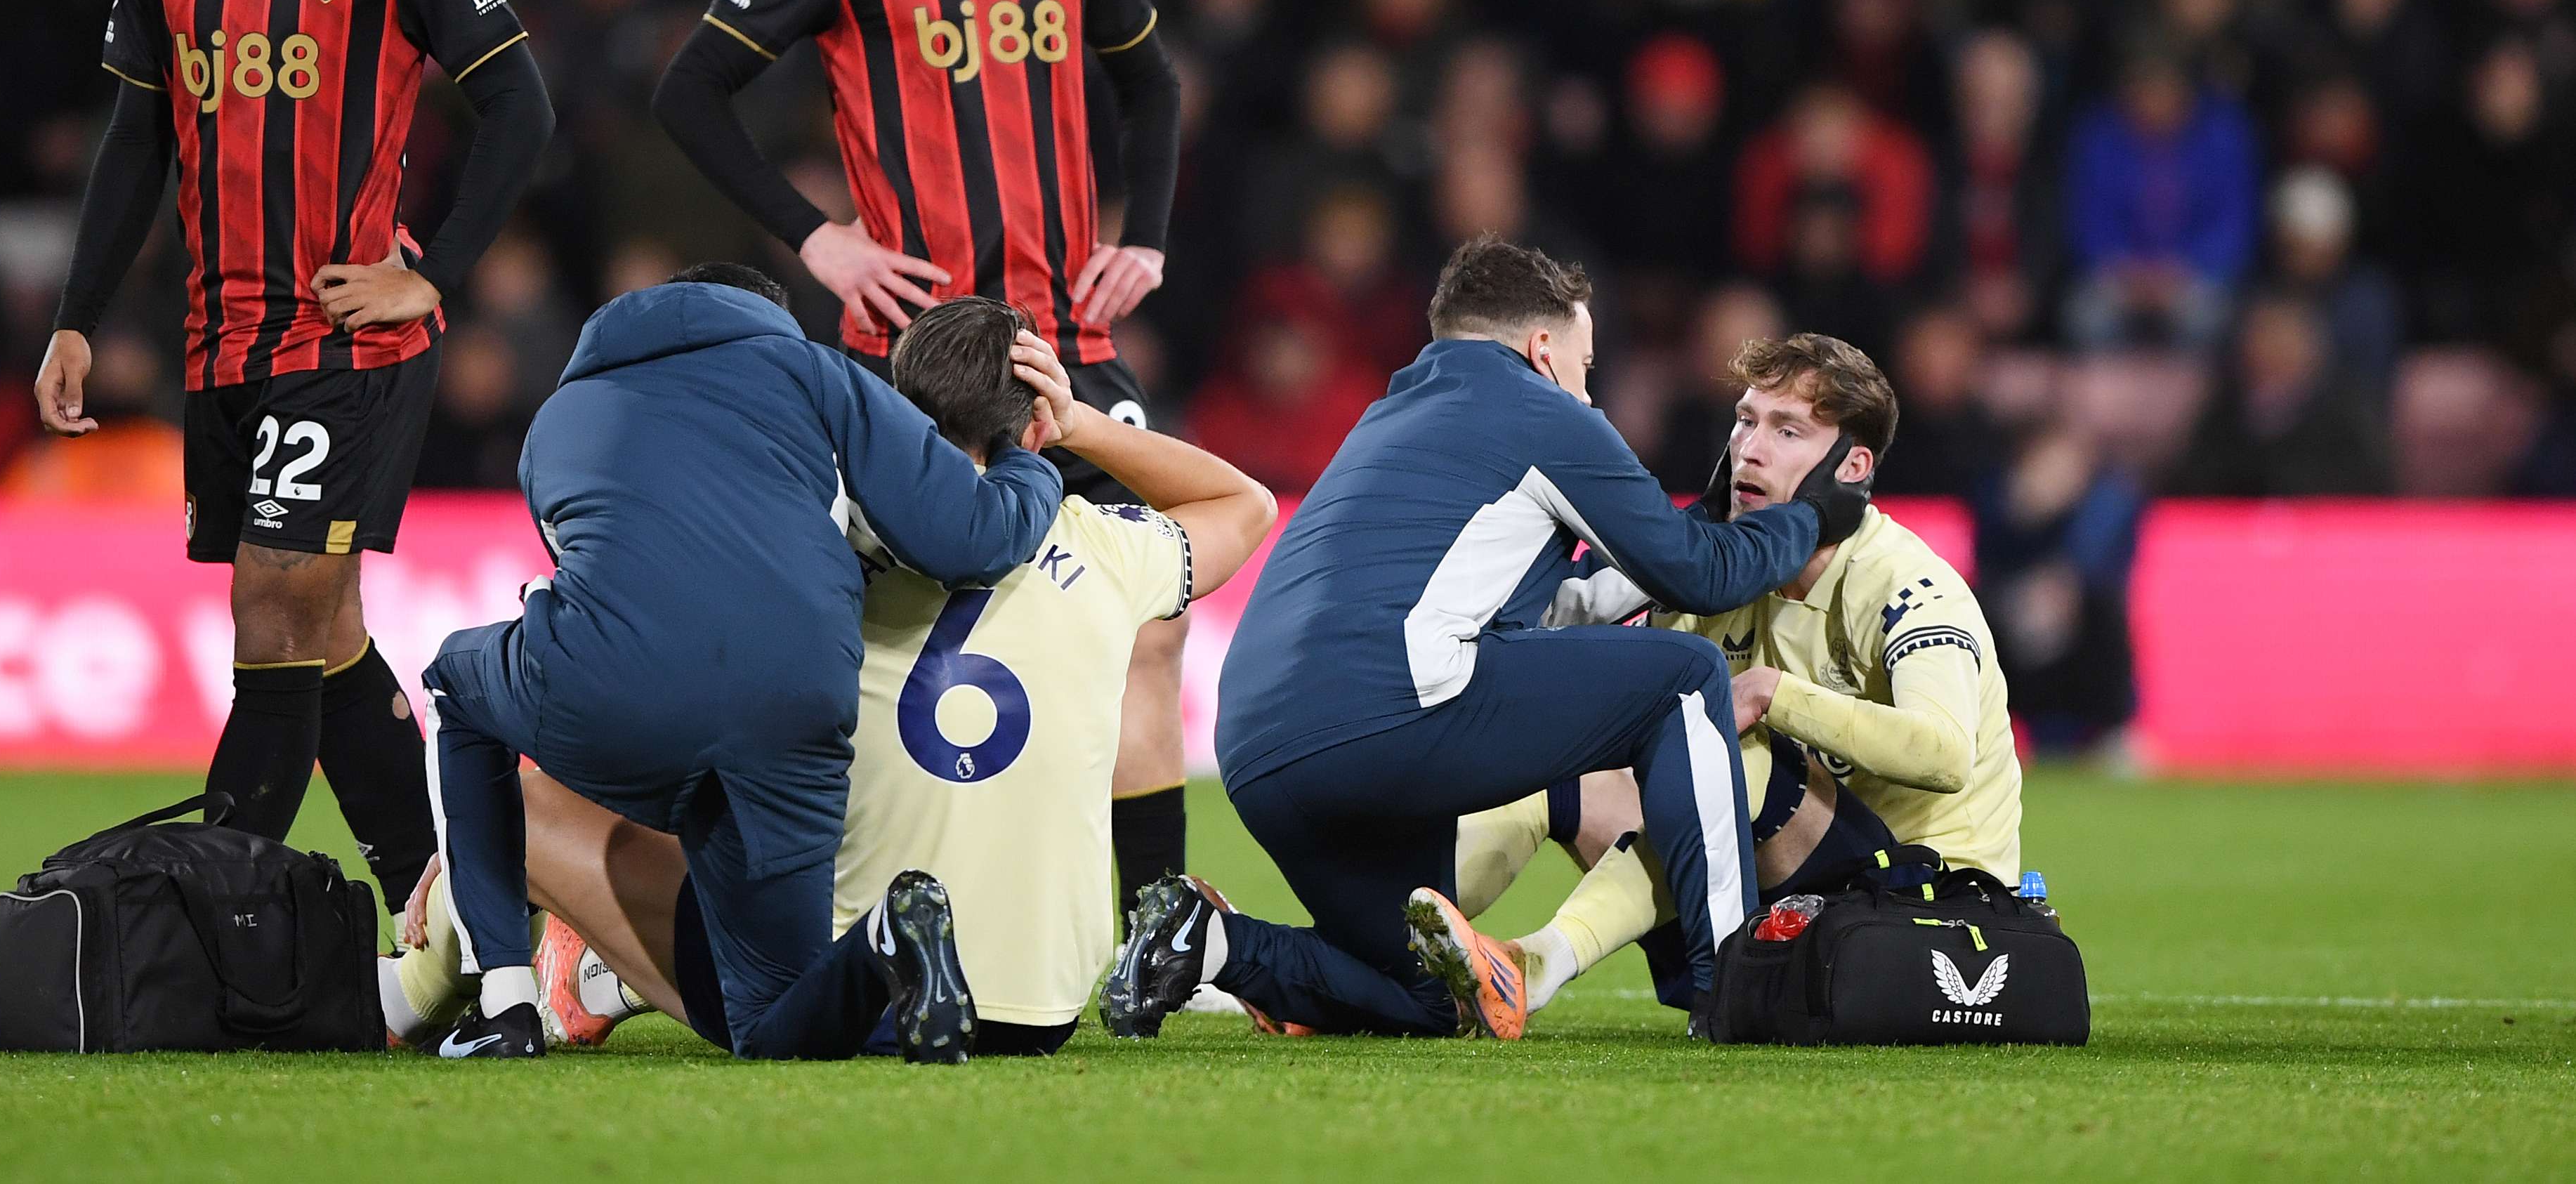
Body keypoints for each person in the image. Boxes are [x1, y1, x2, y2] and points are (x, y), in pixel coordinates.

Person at [651, 0, 1197, 915]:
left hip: (1061, 339)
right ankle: (794, 910)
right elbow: (691, 92)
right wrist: (817, 237)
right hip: (908, 358)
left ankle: (1154, 938)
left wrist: (1149, 232)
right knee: (852, 647)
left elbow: (1151, 82)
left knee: (1152, 622)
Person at [380, 295, 1276, 1057]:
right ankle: (605, 976)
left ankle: (552, 976)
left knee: (545, 808)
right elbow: (1246, 504)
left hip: (854, 984)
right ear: (1030, 416)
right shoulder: (1108, 549)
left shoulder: (821, 564)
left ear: (893, 408)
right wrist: (1074, 426)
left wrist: (469, 841)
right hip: (1039, 1007)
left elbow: (663, 697)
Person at [32, 0, 554, 923]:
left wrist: (427, 273)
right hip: (223, 338)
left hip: (349, 335)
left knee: (272, 603)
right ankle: (455, 912)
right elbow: (133, 141)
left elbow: (519, 105)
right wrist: (75, 316)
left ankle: (213, 916)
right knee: (318, 635)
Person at [1102, 237, 1868, 1041]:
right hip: (1387, 713)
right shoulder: (1540, 410)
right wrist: (1812, 514)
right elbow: (1703, 579)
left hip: (1259, 752)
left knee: (1430, 1000)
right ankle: (1733, 979)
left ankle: (1208, 938)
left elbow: (1544, 608)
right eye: (1583, 364)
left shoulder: (1390, 416)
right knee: (1683, 674)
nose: (1585, 388)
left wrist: (1702, 518)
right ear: (1542, 350)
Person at [419, 265, 1065, 1062]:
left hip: (626, 701)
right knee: (771, 1019)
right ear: (764, 318)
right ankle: (885, 942)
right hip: (791, 706)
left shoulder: (555, 418)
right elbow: (969, 539)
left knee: (455, 681)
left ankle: (504, 1002)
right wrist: (1031, 457)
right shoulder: (812, 370)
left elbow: (589, 584)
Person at [1452, 332, 2022, 1022]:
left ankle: (1533, 964)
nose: (1750, 447)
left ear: (1853, 464)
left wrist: (1775, 694)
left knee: (1727, 743)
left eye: (1788, 430)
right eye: (1746, 420)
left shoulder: (1909, 584)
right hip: (1786, 884)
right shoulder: (1716, 573)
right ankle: (1377, 955)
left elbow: (1945, 752)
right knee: (1560, 750)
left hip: (1924, 901)